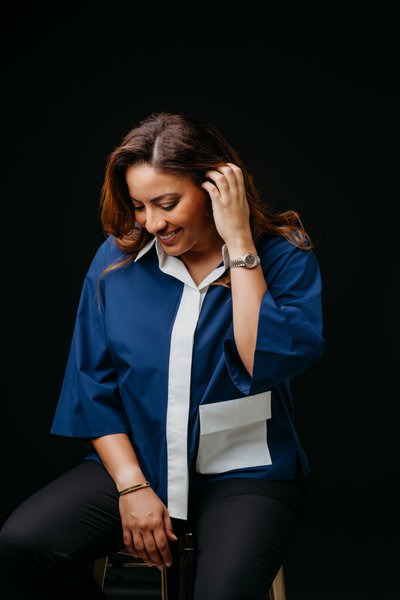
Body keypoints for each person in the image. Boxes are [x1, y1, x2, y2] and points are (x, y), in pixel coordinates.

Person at [0, 111, 324, 599]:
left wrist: (239, 242)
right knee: (23, 543)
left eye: (166, 203)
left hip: (246, 474)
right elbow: (92, 383)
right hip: (140, 464)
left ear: (215, 186)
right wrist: (131, 487)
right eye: (138, 206)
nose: (152, 223)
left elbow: (263, 361)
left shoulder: (282, 256)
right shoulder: (115, 262)